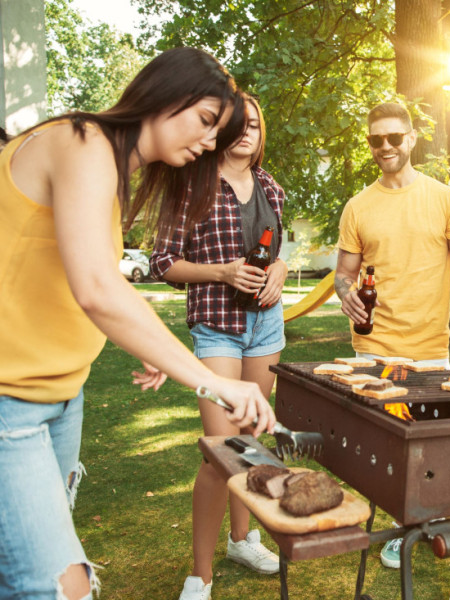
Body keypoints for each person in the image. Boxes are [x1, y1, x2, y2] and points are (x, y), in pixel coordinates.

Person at [0, 47, 275, 600]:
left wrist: (143, 344)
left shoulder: (113, 170)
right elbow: (97, 289)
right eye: (205, 120)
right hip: (11, 404)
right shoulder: (83, 142)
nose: (208, 143)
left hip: (62, 397)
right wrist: (213, 381)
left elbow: (76, 277)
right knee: (58, 586)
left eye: (217, 134)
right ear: (165, 93)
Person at [335, 102, 450, 570]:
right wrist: (345, 293)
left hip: (429, 347)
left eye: (394, 137)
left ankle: (419, 521)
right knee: (381, 447)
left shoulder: (445, 199)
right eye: (375, 139)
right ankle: (397, 527)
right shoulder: (358, 206)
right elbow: (344, 273)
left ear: (412, 138)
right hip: (373, 346)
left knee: (427, 445)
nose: (385, 146)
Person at [151, 93, 287, 600]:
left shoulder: (271, 186)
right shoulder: (193, 184)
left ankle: (242, 540)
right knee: (219, 452)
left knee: (249, 440)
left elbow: (277, 252)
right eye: (239, 124)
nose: (248, 132)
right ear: (223, 131)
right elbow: (164, 263)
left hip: (266, 327)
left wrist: (280, 269)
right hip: (217, 326)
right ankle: (200, 573)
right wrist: (222, 272)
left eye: (255, 124)